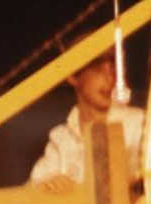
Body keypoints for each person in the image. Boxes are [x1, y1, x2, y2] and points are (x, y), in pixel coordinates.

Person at [29, 50, 143, 194]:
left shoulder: (138, 123)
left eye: (113, 68)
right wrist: (48, 185)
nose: (110, 79)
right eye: (98, 68)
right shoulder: (61, 137)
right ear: (72, 76)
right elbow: (33, 186)